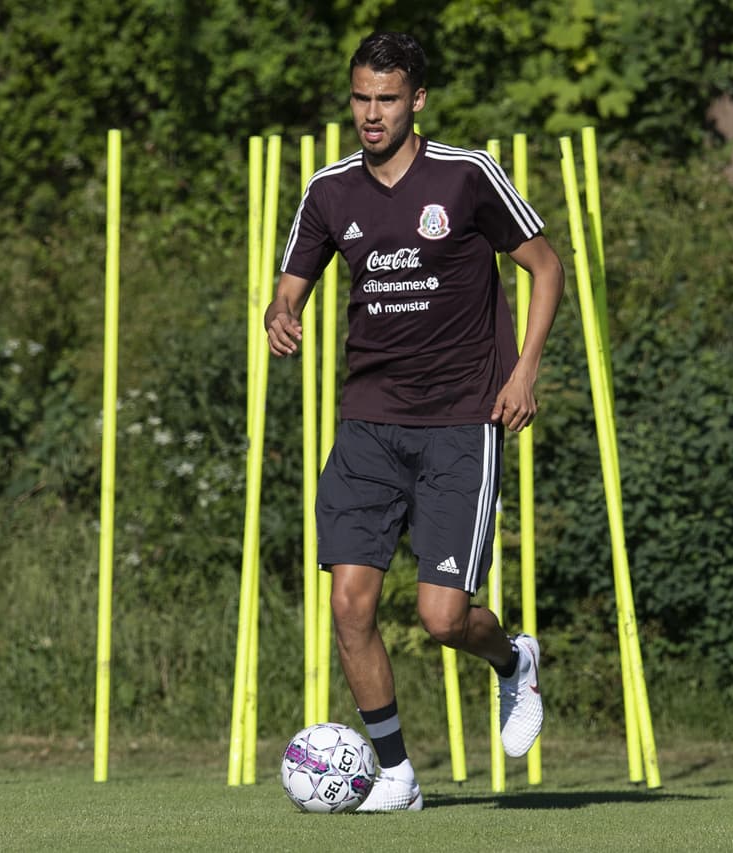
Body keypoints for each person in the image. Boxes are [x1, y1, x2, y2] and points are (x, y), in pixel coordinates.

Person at [265, 31, 564, 812]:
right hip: (368, 423)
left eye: (387, 99)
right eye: (361, 97)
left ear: (417, 100)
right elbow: (291, 282)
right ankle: (395, 772)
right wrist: (281, 310)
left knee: (442, 617)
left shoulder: (466, 175)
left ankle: (513, 660)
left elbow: (545, 264)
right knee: (349, 602)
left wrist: (524, 369)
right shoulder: (330, 190)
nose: (371, 113)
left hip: (462, 421)